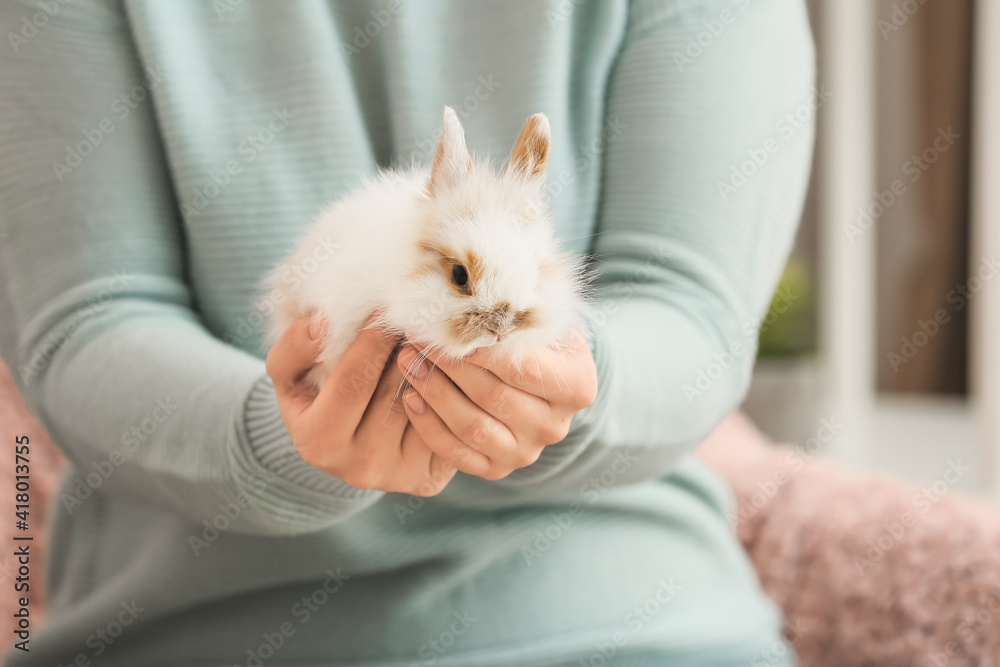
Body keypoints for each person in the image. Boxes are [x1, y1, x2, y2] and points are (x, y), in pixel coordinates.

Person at [0, 0, 815, 664]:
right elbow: (84, 325)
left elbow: (693, 314)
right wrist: (277, 438)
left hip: (632, 622)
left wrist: (563, 388)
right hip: (195, 626)